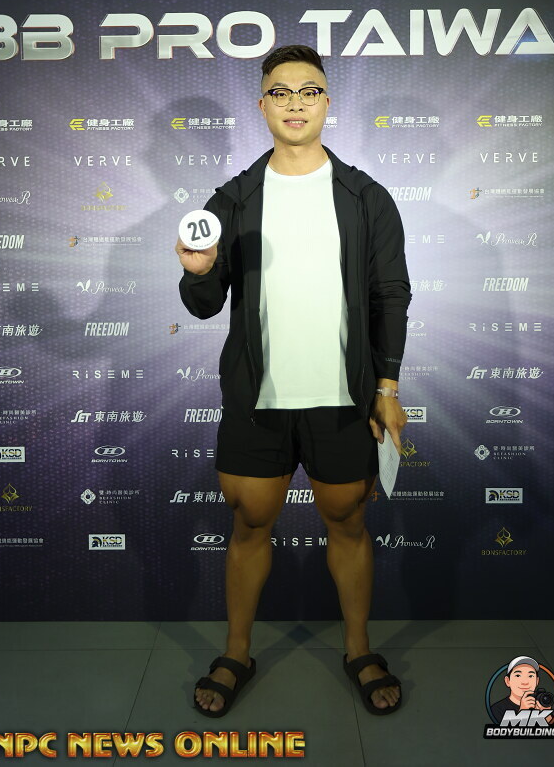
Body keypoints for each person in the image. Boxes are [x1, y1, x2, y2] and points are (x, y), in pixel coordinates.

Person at [175, 44, 411, 718]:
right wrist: (197, 273)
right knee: (250, 522)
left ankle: (358, 648)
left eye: (309, 90)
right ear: (263, 106)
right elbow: (204, 304)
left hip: (344, 400)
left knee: (348, 521)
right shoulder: (231, 199)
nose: (296, 103)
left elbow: (390, 295)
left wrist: (387, 388)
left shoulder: (367, 197)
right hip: (258, 402)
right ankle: (237, 651)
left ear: (327, 103)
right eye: (281, 92)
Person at [490, 656, 554, 725]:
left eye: (530, 676)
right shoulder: (497, 710)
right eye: (518, 675)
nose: (525, 682)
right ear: (508, 681)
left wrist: (546, 714)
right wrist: (522, 712)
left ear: (537, 681)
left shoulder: (541, 704)